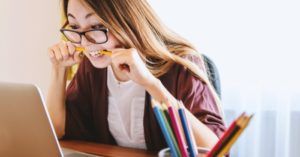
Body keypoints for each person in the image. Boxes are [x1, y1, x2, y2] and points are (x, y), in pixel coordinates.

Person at [46, 0, 226, 151]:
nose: (85, 42)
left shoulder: (181, 64)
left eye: (97, 26)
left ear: (127, 21)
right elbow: (57, 131)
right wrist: (58, 70)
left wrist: (150, 84)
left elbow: (214, 150)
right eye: (75, 26)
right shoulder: (92, 68)